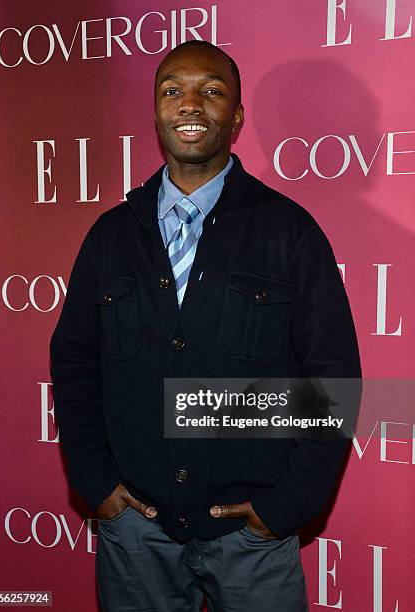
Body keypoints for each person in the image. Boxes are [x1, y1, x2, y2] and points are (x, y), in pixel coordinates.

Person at [50, 40, 361, 611]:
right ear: (156, 112)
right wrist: (95, 483)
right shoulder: (109, 237)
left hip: (253, 542)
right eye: (172, 90)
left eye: (212, 91)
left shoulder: (290, 232)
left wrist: (286, 506)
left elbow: (333, 376)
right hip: (135, 535)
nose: (189, 104)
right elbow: (74, 364)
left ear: (237, 116)